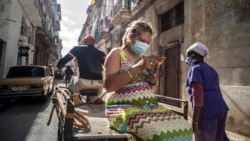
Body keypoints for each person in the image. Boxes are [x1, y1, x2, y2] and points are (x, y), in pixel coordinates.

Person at [103, 20, 192, 141]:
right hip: (122, 107)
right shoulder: (117, 53)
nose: (145, 45)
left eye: (148, 42)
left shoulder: (143, 58)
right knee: (160, 135)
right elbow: (109, 86)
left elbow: (151, 89)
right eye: (142, 41)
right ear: (130, 37)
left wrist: (154, 77)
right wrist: (139, 67)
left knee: (185, 128)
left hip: (148, 106)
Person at [185, 42, 229, 141]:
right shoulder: (211, 70)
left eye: (189, 55)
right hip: (221, 108)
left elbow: (198, 96)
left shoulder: (195, 70)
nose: (187, 58)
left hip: (207, 111)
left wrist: (195, 121)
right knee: (219, 138)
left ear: (194, 55)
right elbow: (218, 91)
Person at [57, 35, 106, 103]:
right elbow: (107, 65)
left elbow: (67, 58)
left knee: (70, 86)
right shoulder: (101, 53)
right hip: (98, 84)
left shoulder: (78, 48)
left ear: (85, 41)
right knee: (95, 100)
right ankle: (95, 100)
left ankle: (74, 100)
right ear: (93, 43)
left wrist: (60, 65)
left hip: (83, 82)